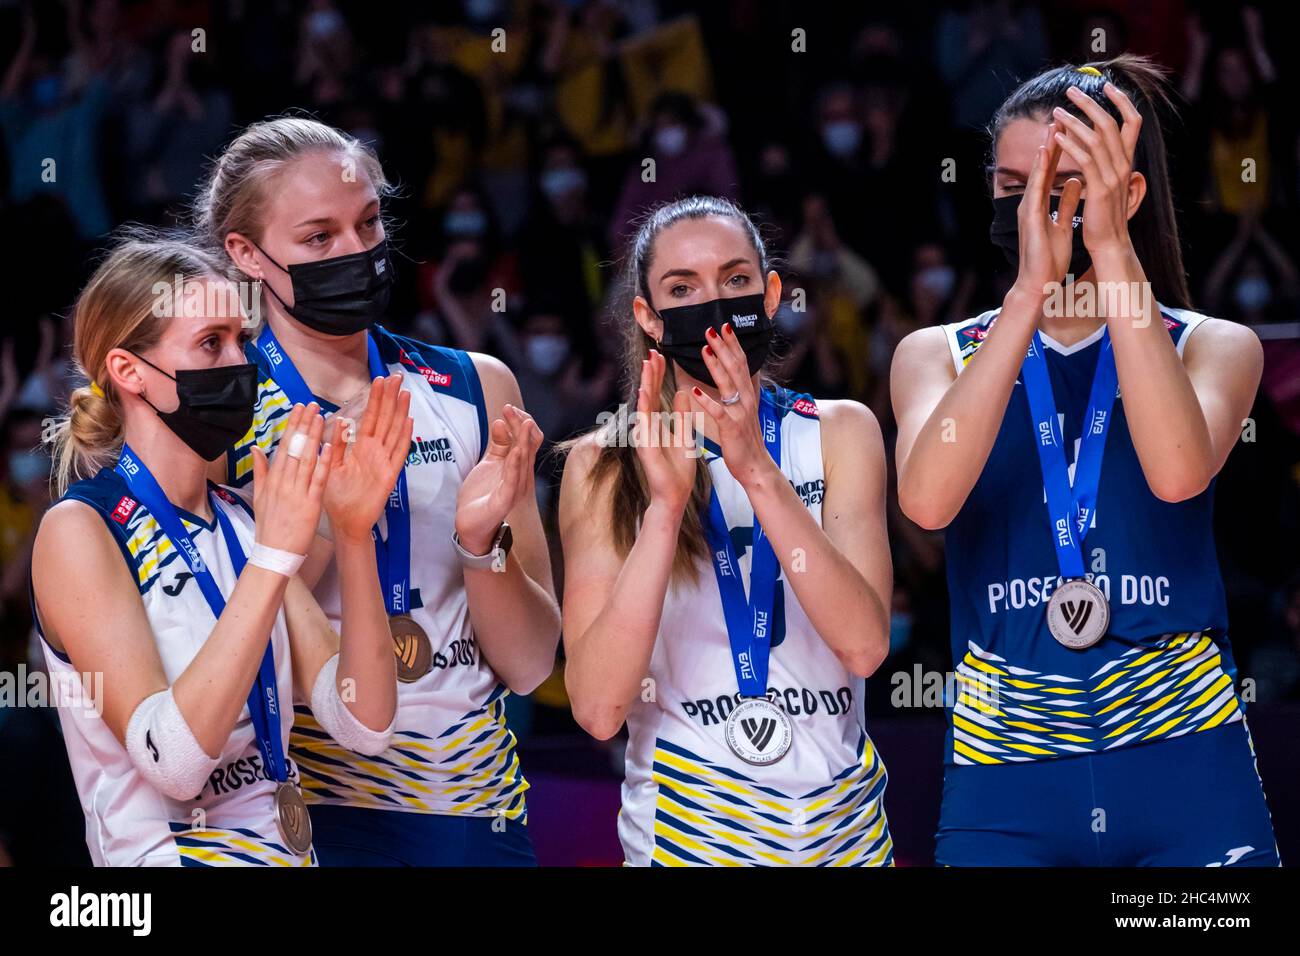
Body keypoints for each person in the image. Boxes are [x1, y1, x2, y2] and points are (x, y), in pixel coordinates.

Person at [891, 55, 1280, 866]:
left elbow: (1178, 471)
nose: (1036, 205)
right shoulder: (935, 353)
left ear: (1126, 194)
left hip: (1187, 758)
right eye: (1013, 186)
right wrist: (1027, 297)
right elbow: (926, 503)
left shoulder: (1213, 344)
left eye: (1066, 183)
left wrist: (1108, 247)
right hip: (1006, 770)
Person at [197, 117, 559, 866]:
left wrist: (480, 546)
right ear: (246, 254)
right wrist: (335, 522)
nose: (355, 252)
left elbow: (530, 665)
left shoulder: (475, 387)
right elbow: (220, 663)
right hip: (310, 814)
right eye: (319, 237)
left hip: (478, 816)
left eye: (367, 224)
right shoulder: (216, 419)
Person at [31, 234, 411, 866]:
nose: (241, 362)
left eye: (242, 338)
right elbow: (172, 762)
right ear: (129, 371)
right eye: (212, 342)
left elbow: (364, 723)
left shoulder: (243, 517)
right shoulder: (80, 528)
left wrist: (350, 533)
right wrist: (273, 557)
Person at [560, 196, 895, 866]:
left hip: (842, 840)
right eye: (683, 288)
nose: (713, 304)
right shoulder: (603, 461)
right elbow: (598, 709)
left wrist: (758, 472)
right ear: (648, 316)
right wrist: (663, 511)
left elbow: (864, 648)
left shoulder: (840, 431)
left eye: (735, 280)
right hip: (686, 842)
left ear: (769, 295)